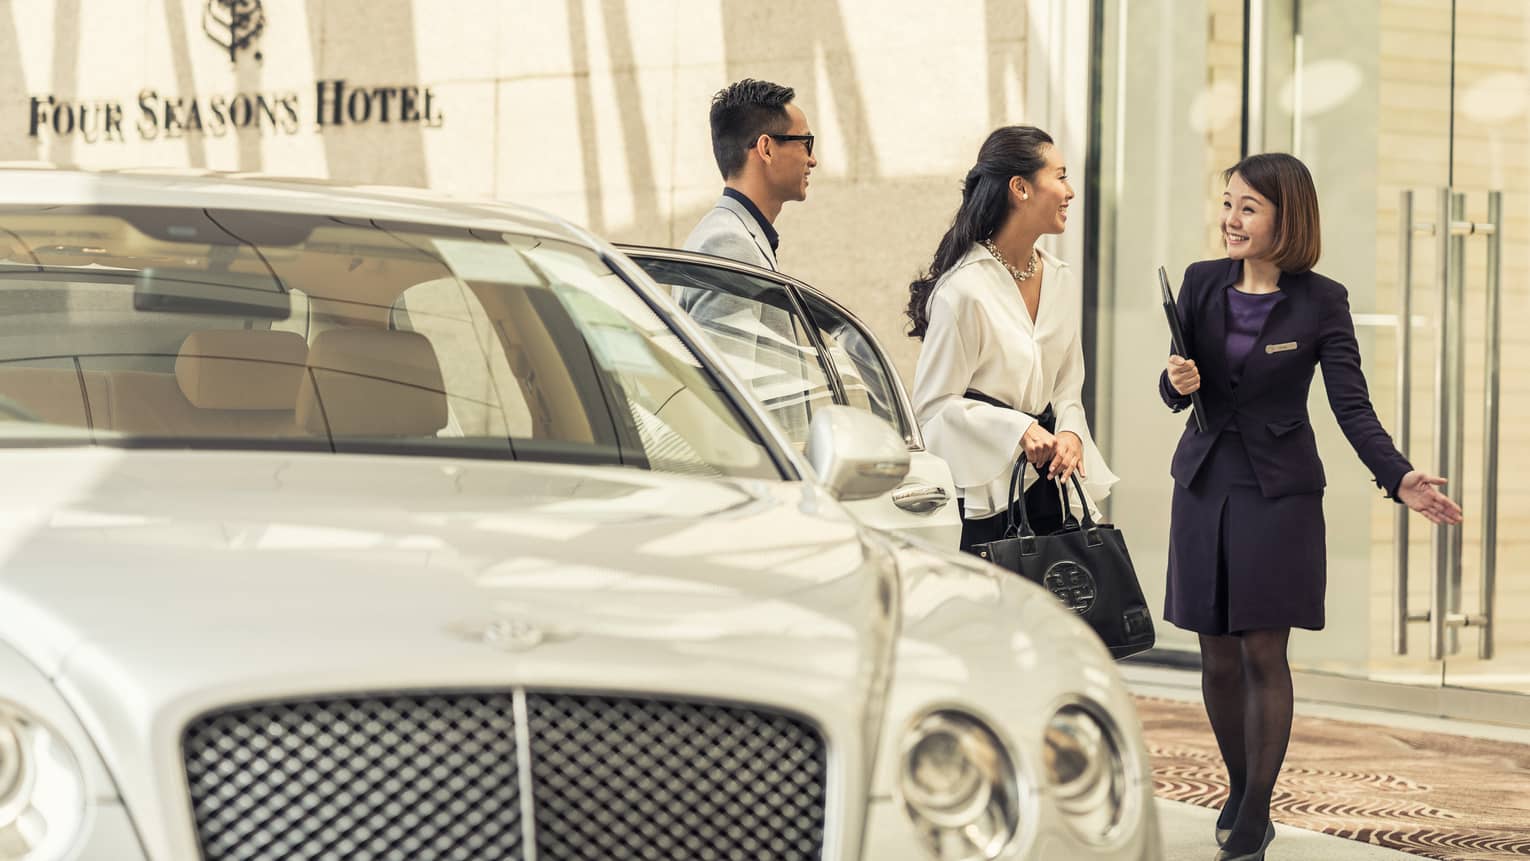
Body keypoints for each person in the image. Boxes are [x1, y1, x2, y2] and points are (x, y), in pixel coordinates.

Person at [1159, 152, 1463, 861]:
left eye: (1248, 208)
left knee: (1265, 647)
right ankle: (1242, 791)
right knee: (1216, 653)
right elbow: (1181, 388)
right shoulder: (1202, 283)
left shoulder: (1321, 300)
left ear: (1284, 218)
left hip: (1278, 493)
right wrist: (1175, 382)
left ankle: (1254, 813)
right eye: (1227, 202)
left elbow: (1351, 407)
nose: (1230, 219)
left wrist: (1399, 476)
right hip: (1203, 484)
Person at [908, 125, 1117, 552]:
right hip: (988, 497)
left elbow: (1067, 388)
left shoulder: (1061, 280)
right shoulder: (964, 290)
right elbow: (931, 408)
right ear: (1020, 188)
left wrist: (1073, 434)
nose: (1070, 191)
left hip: (1052, 491)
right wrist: (1018, 429)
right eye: (1059, 176)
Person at [683, 78, 815, 272]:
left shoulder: (733, 233)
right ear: (767, 149)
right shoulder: (729, 244)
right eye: (806, 143)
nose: (813, 160)